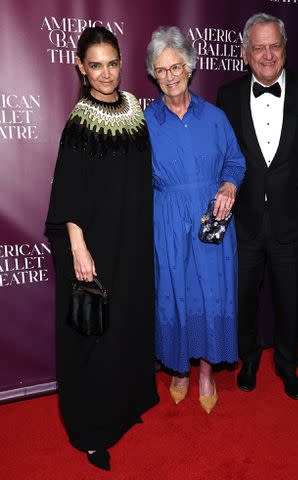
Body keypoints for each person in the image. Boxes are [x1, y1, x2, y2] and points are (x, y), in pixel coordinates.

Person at [46, 27, 159, 470]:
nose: (106, 73)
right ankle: (92, 430)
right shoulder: (80, 119)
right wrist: (78, 246)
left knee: (126, 323)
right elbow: (70, 189)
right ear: (81, 67)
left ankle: (124, 406)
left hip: (130, 238)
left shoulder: (134, 108)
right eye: (96, 65)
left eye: (112, 63)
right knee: (93, 334)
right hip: (92, 243)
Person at [217, 13, 298, 400]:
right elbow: (222, 160)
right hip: (244, 223)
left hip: (295, 222)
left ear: (285, 49)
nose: (267, 55)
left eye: (275, 46)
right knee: (244, 299)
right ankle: (248, 359)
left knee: (291, 302)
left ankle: (287, 364)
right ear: (245, 54)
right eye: (259, 47)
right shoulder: (228, 96)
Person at [144, 27, 245, 414]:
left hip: (212, 224)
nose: (170, 76)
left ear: (189, 66)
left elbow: (235, 160)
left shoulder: (216, 118)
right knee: (175, 295)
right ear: (153, 75)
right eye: (161, 69)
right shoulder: (146, 122)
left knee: (211, 296)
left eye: (176, 66)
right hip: (167, 224)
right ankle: (179, 371)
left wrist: (229, 186)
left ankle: (206, 371)